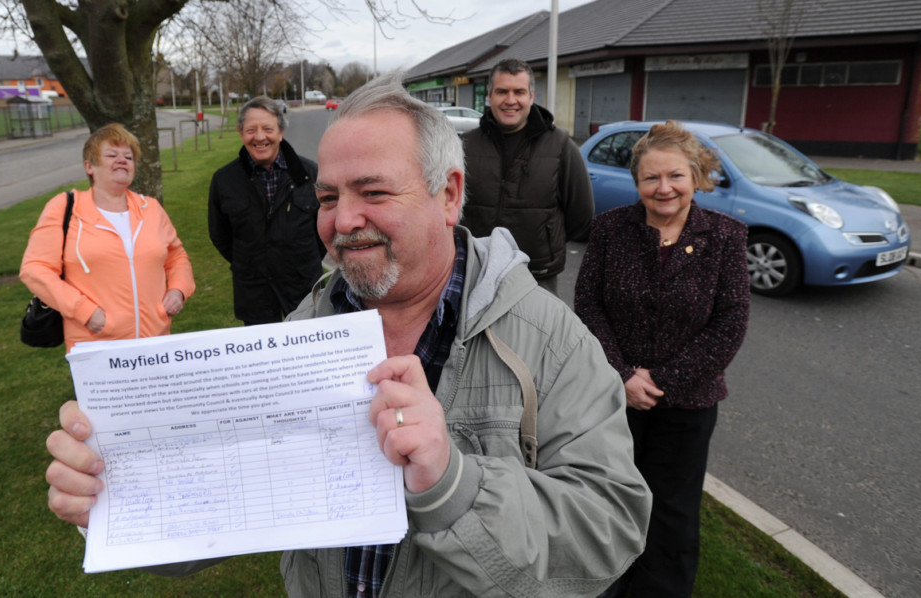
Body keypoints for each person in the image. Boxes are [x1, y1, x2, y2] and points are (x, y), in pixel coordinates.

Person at [45, 74, 652, 597]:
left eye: (374, 191)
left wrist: (453, 484)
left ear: (449, 195)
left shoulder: (551, 344)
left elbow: (608, 537)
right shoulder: (297, 336)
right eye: (329, 196)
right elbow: (218, 516)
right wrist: (110, 498)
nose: (344, 219)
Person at [574, 120, 751, 598]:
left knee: (672, 511)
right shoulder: (610, 230)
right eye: (651, 178)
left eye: (675, 176)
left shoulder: (726, 237)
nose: (664, 188)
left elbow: (730, 322)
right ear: (636, 183)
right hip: (614, 401)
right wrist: (623, 376)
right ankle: (605, 584)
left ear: (696, 176)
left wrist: (664, 381)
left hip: (688, 406)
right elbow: (588, 306)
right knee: (611, 499)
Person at [20, 123, 195, 352]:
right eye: (112, 155)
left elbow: (176, 256)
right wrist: (85, 311)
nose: (122, 160)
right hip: (95, 344)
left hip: (155, 342)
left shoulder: (151, 208)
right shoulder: (64, 208)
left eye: (128, 157)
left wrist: (179, 289)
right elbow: (35, 269)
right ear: (89, 166)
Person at [461, 58, 593, 295]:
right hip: (475, 272)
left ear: (531, 97)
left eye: (519, 92)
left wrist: (547, 245)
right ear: (489, 96)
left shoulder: (560, 145)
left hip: (537, 277)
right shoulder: (465, 146)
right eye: (502, 91)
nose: (511, 100)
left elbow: (581, 217)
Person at [208, 95, 325, 325]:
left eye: (267, 129)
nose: (260, 137)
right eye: (251, 130)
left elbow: (324, 229)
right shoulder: (224, 180)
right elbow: (220, 235)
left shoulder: (310, 175)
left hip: (303, 288)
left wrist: (304, 261)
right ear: (241, 133)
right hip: (254, 292)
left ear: (280, 132)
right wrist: (249, 261)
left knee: (307, 357)